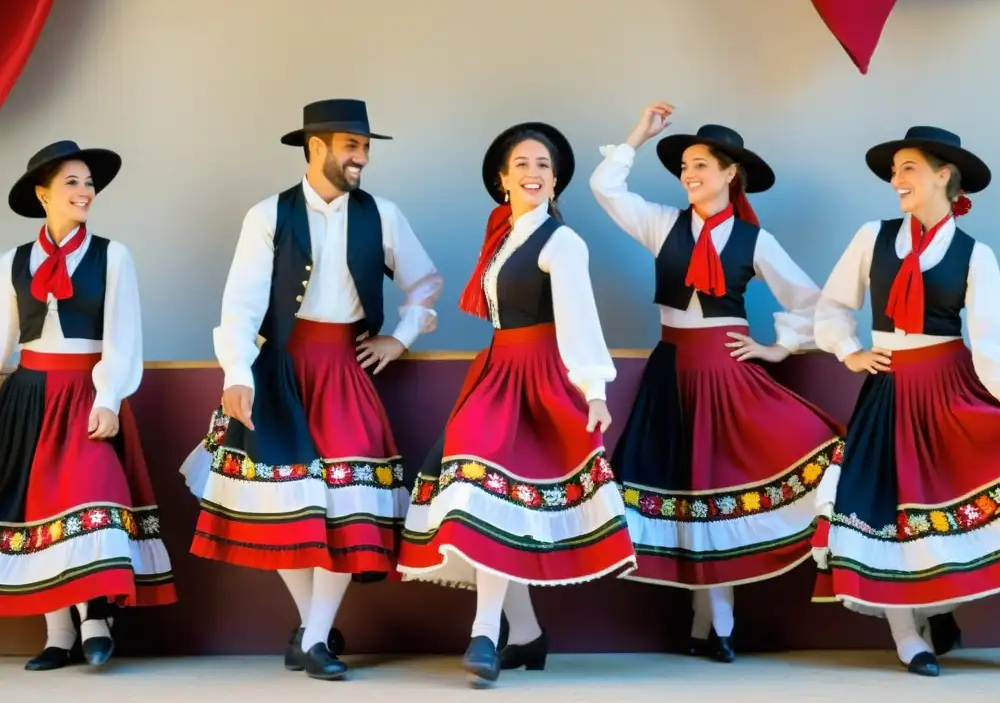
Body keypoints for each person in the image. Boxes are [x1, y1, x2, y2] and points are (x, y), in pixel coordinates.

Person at [179, 99, 443, 681]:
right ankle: (314, 629)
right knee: (287, 510)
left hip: (345, 373)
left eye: (366, 148)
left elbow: (425, 282)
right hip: (280, 374)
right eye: (352, 147)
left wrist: (399, 338)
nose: (362, 159)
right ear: (316, 146)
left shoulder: (384, 214)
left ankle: (315, 635)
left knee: (347, 505)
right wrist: (238, 376)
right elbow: (241, 304)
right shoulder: (267, 215)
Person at [583, 102, 844, 662]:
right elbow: (605, 187)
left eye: (701, 164)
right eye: (684, 167)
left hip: (729, 375)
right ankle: (711, 622)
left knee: (721, 489)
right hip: (672, 372)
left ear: (731, 173)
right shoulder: (662, 224)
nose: (689, 175)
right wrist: (638, 133)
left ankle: (715, 623)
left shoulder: (755, 240)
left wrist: (777, 347)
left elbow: (816, 303)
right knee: (692, 491)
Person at [397, 121, 636, 686]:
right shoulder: (503, 237)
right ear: (503, 179)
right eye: (523, 164)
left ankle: (485, 633)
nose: (534, 173)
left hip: (537, 381)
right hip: (495, 375)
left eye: (544, 166)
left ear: (556, 183)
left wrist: (594, 390)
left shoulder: (561, 241)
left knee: (492, 494)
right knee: (494, 502)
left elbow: (580, 320)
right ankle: (526, 636)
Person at [812, 126, 1000, 677]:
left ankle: (940, 605)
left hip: (951, 391)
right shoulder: (872, 236)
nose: (895, 179)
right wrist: (850, 351)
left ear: (942, 175)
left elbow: (994, 347)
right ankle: (909, 637)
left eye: (908, 167)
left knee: (947, 509)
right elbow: (833, 306)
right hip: (888, 390)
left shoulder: (976, 255)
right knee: (888, 510)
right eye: (894, 169)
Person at [0, 140, 176, 671]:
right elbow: (4, 339)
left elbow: (123, 337)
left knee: (93, 498)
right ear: (42, 194)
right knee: (39, 513)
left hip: (87, 395)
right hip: (29, 397)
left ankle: (95, 619)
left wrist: (109, 400)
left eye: (88, 183)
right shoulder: (12, 262)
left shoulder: (111, 255)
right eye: (72, 182)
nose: (84, 191)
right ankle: (58, 635)